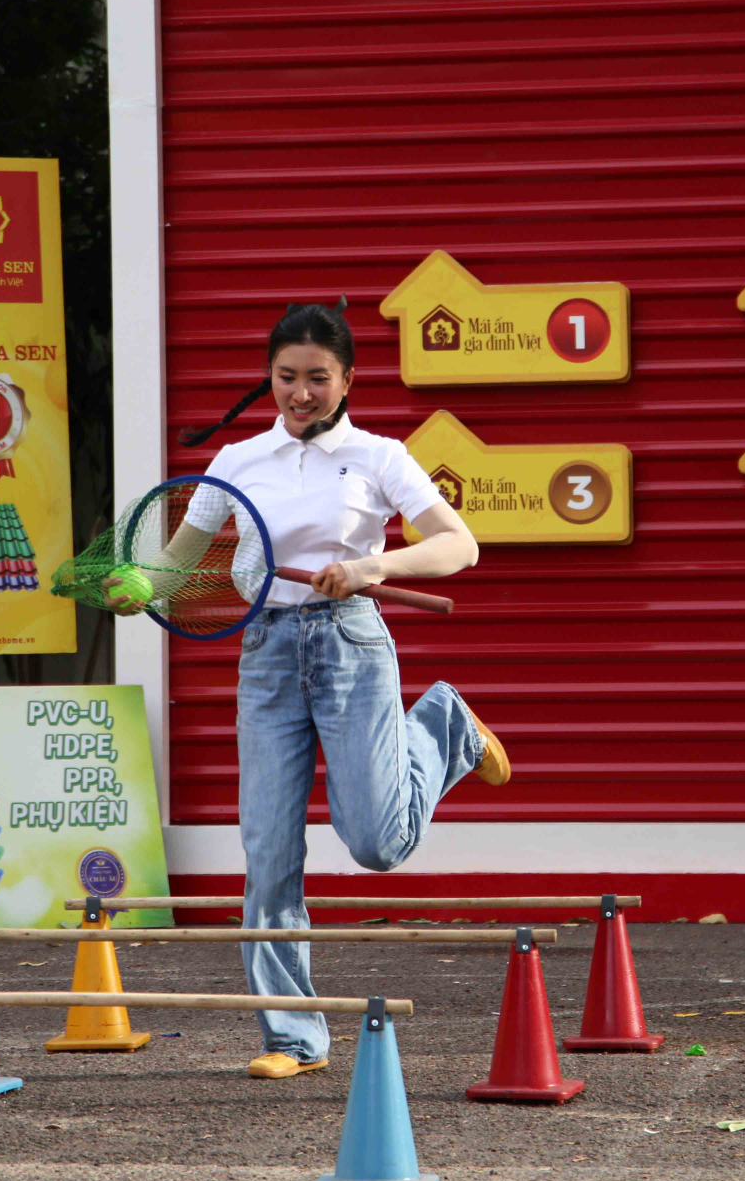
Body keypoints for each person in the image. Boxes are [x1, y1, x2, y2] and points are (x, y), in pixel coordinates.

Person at [111, 298, 508, 1078]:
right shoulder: (235, 462)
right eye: (286, 377)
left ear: (347, 378)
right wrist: (137, 584)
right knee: (267, 853)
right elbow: (178, 560)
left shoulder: (379, 456)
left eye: (317, 379)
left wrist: (372, 566)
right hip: (265, 656)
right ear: (269, 378)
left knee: (377, 844)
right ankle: (293, 1038)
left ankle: (444, 728)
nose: (301, 393)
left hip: (349, 646)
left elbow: (459, 547)